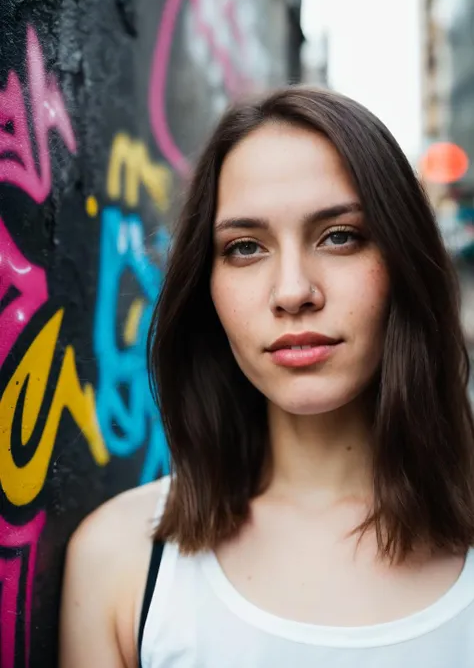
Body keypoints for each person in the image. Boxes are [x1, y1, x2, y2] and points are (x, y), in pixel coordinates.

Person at [59, 86, 474, 668]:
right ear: (208, 289)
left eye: (339, 236)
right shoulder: (120, 561)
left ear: (404, 263)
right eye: (246, 247)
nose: (292, 292)